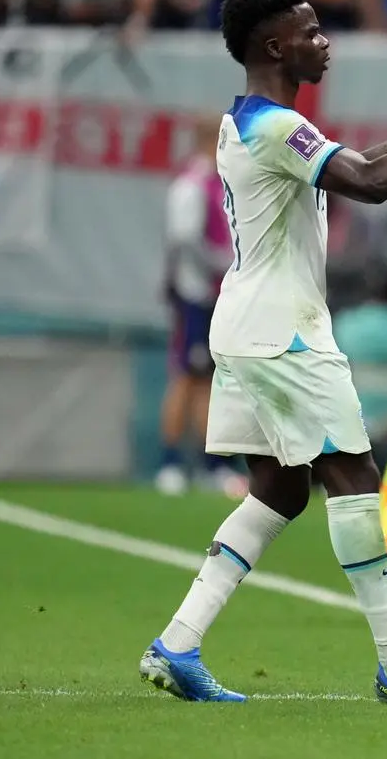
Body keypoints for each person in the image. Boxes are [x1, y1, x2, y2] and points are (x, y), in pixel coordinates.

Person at [138, 0, 387, 708]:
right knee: (357, 480)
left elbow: (361, 166)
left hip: (247, 325)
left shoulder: (252, 120)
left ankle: (178, 640)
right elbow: (370, 181)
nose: (323, 43)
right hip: (284, 335)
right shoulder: (274, 125)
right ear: (274, 44)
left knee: (279, 487)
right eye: (310, 32)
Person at [156, 116, 243, 498]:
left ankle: (212, 465)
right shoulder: (191, 186)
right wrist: (224, 262)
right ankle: (170, 463)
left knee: (210, 380)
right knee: (185, 378)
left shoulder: (218, 183)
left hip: (214, 295)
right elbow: (186, 241)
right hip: (195, 295)